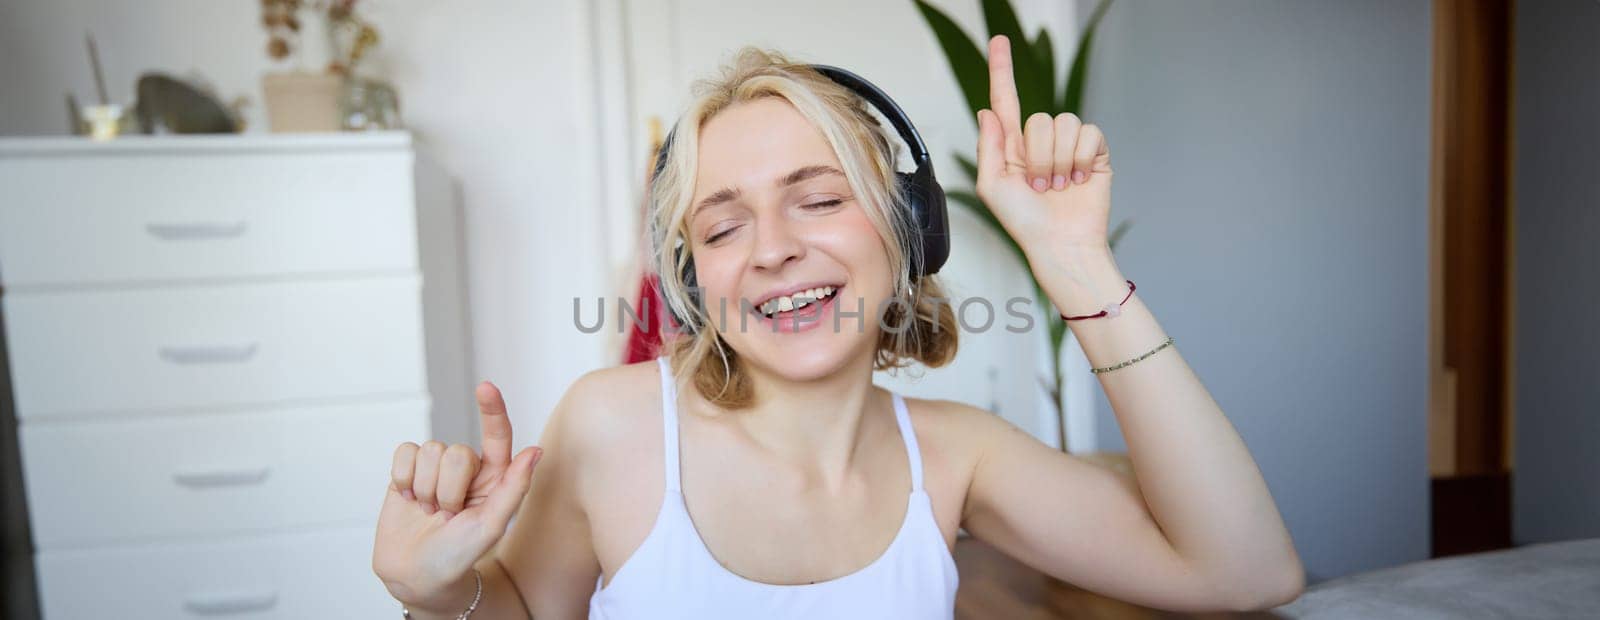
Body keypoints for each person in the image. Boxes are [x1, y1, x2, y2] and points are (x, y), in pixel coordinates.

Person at [372, 35, 1303, 619]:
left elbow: (1244, 572)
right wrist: (441, 598)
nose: (771, 249)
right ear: (697, 282)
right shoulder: (609, 427)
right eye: (724, 225)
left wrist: (1073, 263)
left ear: (907, 233)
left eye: (817, 200)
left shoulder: (959, 455)